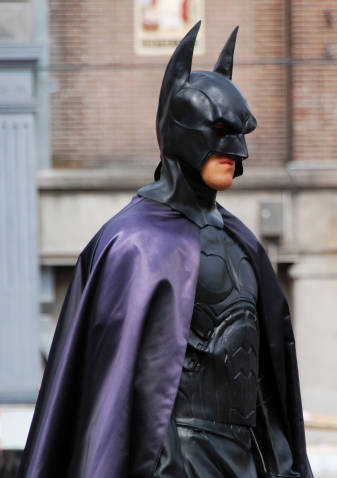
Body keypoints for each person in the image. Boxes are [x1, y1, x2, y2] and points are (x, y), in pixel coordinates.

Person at [18, 22, 312, 478]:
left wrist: (282, 462)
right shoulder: (134, 246)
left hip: (245, 460)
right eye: (218, 134)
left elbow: (264, 382)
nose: (236, 153)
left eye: (239, 138)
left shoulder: (243, 244)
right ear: (181, 131)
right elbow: (117, 398)